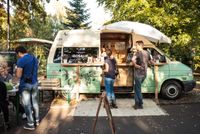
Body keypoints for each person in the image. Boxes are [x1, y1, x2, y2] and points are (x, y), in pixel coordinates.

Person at [15, 46, 39, 130]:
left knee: (27, 105)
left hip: (25, 85)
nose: (18, 56)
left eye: (17, 54)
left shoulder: (21, 60)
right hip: (35, 83)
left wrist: (16, 71)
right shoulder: (34, 58)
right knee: (35, 103)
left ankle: (31, 124)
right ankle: (37, 120)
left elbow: (18, 75)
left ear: (19, 53)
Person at [132, 40, 151, 109]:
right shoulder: (147, 52)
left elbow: (132, 60)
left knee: (138, 89)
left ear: (140, 45)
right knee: (137, 88)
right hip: (144, 74)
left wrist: (135, 65)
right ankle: (137, 104)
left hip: (138, 74)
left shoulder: (137, 53)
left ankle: (140, 103)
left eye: (136, 45)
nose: (135, 46)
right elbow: (150, 61)